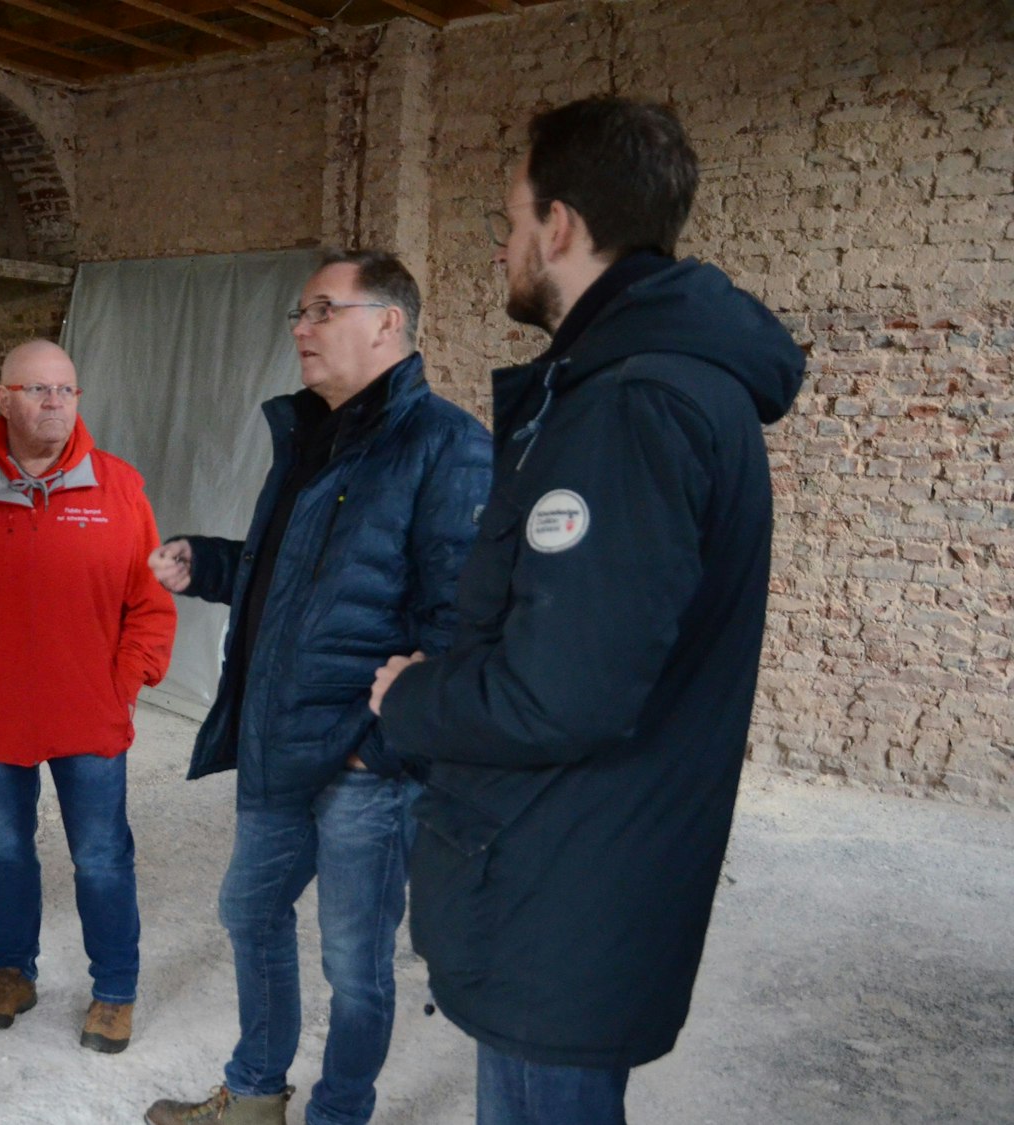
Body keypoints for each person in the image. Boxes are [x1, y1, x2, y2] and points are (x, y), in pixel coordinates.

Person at [368, 97, 806, 1125]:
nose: (503, 250)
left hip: (562, 888)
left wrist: (413, 698)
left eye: (507, 224)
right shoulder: (639, 385)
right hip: (568, 872)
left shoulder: (627, 405)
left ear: (557, 226)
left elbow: (557, 693)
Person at [143, 250, 491, 1125]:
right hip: (278, 738)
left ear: (388, 323)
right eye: (299, 313)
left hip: (363, 762)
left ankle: (340, 1114)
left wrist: (384, 749)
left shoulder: (448, 447)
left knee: (354, 962)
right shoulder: (308, 434)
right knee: (249, 911)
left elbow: (463, 626)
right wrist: (210, 562)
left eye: (322, 310)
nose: (301, 329)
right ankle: (257, 1094)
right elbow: (292, 578)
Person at [0, 339, 176, 1054]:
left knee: (101, 856)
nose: (55, 403)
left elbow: (150, 603)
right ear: (4, 399)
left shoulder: (119, 490)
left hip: (89, 713)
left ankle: (114, 989)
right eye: (38, 389)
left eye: (66, 391)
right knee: (3, 849)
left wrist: (123, 686)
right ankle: (11, 972)